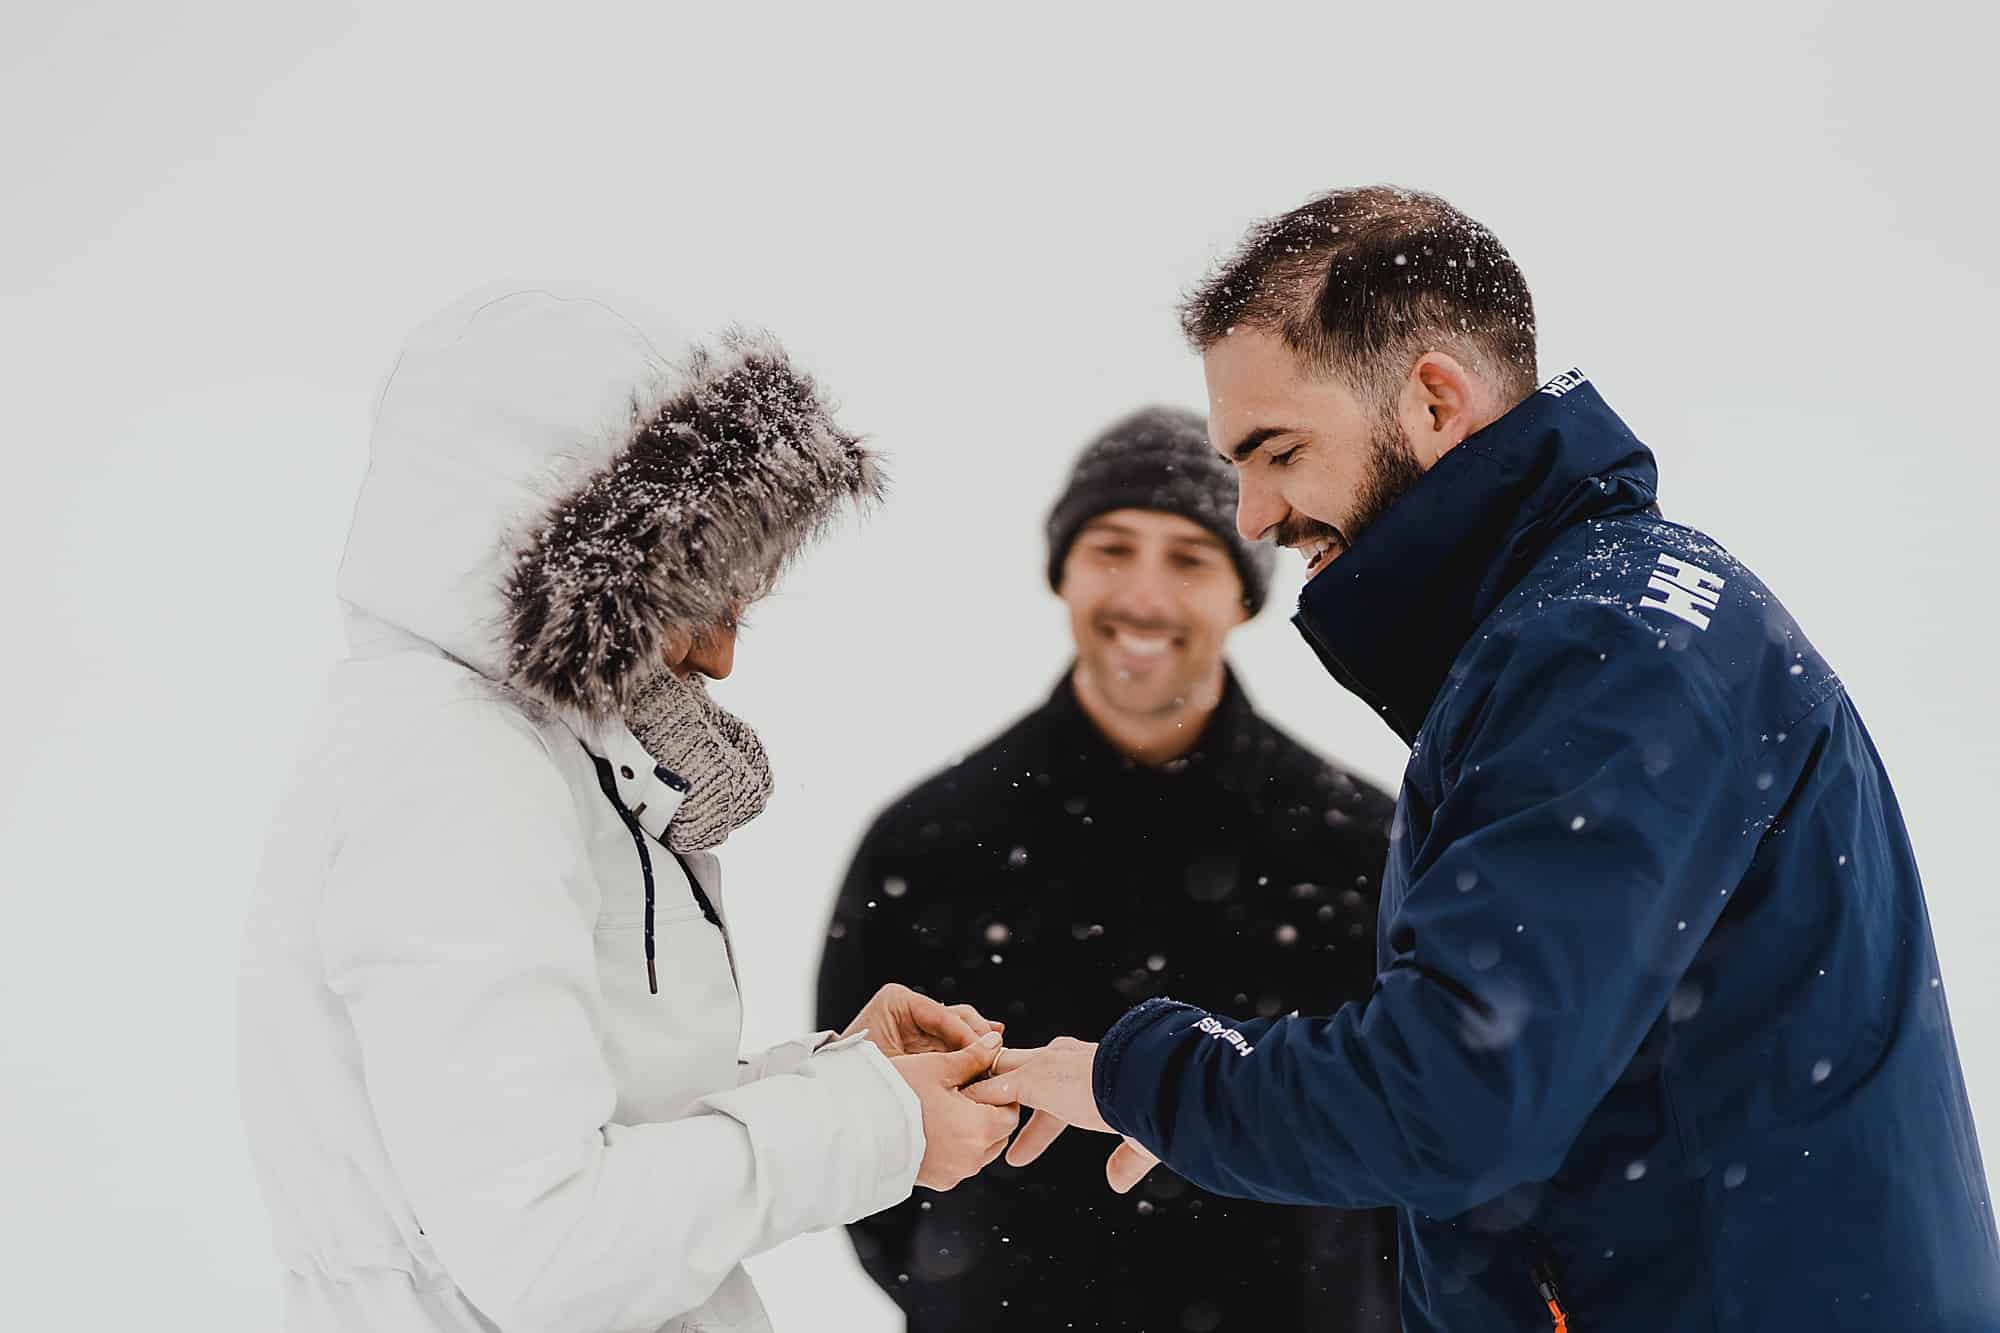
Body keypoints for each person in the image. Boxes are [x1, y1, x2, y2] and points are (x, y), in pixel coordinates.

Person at [972, 187, 2000, 1331]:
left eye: (1278, 451)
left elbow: (1452, 1096)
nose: (1251, 515)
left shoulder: (1605, 650)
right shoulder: (1597, 619)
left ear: (1431, 401)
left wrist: (1142, 1075)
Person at [235, 285, 1018, 1333]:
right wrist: (871, 1122)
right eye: (703, 598)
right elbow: (549, 1248)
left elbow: (594, 1142)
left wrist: (846, 1077)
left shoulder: (535, 757)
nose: (723, 657)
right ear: (590, 565)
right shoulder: (455, 775)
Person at [817, 407, 1401, 1331]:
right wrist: (964, 1289)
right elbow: (860, 1133)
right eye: (1113, 549)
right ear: (1065, 571)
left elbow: (1415, 1122)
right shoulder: (927, 844)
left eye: (1189, 558)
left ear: (1243, 592)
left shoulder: (1363, 845)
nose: (1144, 595)